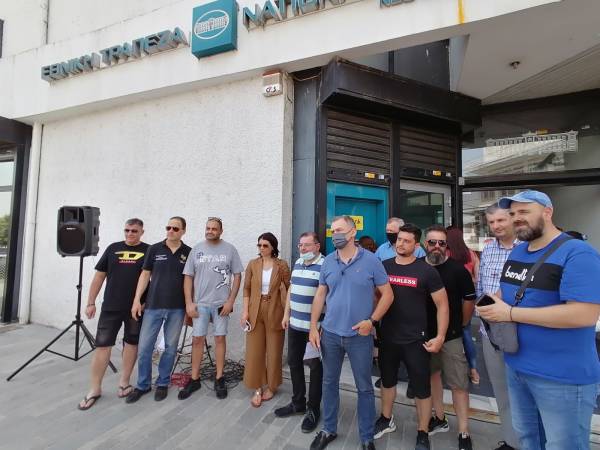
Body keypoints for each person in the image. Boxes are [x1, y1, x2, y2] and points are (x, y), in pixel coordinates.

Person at [478, 190, 600, 450]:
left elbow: (584, 314)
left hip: (561, 377)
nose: (517, 218)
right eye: (513, 213)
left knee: (563, 445)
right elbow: (507, 293)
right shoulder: (518, 252)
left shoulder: (578, 253)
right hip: (517, 368)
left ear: (547, 212)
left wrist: (510, 314)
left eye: (524, 211)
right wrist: (491, 302)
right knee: (528, 439)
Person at [309, 215, 394, 450]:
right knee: (329, 383)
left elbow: (388, 295)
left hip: (360, 337)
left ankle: (366, 437)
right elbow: (320, 294)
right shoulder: (328, 261)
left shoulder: (372, 261)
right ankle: (328, 429)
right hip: (330, 334)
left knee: (364, 387)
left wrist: (372, 321)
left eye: (339, 230)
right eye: (332, 230)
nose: (334, 234)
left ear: (352, 232)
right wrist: (313, 326)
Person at [374, 223, 449, 450]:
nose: (400, 243)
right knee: (387, 381)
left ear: (417, 245)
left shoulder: (427, 271)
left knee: (421, 388)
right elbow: (376, 297)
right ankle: (386, 419)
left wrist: (440, 336)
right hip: (388, 337)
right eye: (399, 239)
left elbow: (442, 305)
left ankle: (422, 431)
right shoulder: (384, 266)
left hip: (416, 340)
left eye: (407, 241)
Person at [77, 218, 149, 410]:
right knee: (102, 346)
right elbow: (99, 276)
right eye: (127, 230)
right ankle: (95, 389)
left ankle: (124, 383)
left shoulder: (149, 250)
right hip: (111, 307)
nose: (130, 234)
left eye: (134, 231)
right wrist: (90, 302)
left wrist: (146, 303)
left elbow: (153, 279)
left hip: (136, 309)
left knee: (131, 344)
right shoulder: (112, 249)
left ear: (142, 232)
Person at [126, 217, 191, 403]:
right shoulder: (154, 249)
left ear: (183, 231)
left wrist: (189, 305)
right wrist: (137, 300)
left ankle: (163, 382)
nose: (171, 231)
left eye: (175, 228)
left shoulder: (189, 252)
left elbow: (190, 281)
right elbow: (145, 274)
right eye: (168, 227)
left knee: (170, 348)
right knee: (145, 348)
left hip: (177, 308)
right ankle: (143, 385)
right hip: (153, 306)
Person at [423, 225, 476, 450]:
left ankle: (464, 431)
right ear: (425, 244)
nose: (437, 246)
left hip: (451, 336)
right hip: (425, 336)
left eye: (441, 243)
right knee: (432, 378)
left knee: (458, 384)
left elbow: (469, 300)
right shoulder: (418, 267)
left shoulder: (458, 270)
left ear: (447, 246)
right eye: (432, 242)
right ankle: (439, 418)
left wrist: (461, 324)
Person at [179, 217, 243, 400]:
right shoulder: (197, 249)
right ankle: (194, 378)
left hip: (221, 304)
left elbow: (237, 276)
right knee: (197, 340)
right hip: (200, 304)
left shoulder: (229, 249)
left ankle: (219, 378)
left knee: (220, 338)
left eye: (214, 228)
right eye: (208, 228)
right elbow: (188, 277)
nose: (210, 231)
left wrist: (230, 301)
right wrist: (189, 303)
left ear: (221, 231)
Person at [477, 203, 520, 450]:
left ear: (513, 219)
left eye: (501, 220)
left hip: (521, 331)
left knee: (524, 393)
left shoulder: (528, 249)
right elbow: (481, 286)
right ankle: (511, 441)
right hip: (490, 332)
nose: (496, 226)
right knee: (501, 391)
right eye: (492, 222)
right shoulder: (488, 249)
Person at [276, 231, 325, 433]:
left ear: (317, 246)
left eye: (306, 245)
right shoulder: (297, 263)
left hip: (314, 328)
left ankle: (313, 409)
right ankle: (298, 403)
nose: (302, 248)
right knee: (294, 363)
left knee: (315, 368)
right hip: (295, 324)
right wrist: (286, 314)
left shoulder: (325, 265)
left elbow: (326, 296)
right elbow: (291, 290)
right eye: (300, 245)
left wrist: (320, 326)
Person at [242, 232, 291, 407]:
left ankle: (272, 386)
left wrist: (287, 313)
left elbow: (289, 287)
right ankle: (257, 387)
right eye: (259, 245)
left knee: (274, 350)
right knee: (255, 351)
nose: (262, 248)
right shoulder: (253, 264)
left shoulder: (281, 265)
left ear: (273, 247)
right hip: (255, 310)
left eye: (265, 245)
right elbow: (246, 289)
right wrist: (245, 312)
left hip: (275, 309)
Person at [446, 226, 481, 385]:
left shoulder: (446, 255)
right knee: (466, 332)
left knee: (448, 331)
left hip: (450, 298)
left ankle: (449, 367)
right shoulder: (471, 254)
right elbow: (477, 279)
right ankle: (473, 370)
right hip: (467, 298)